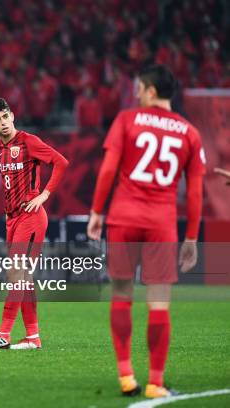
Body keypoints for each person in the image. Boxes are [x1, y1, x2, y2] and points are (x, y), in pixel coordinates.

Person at [87, 65, 206, 398]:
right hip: (161, 224)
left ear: (152, 91)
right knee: (159, 303)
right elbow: (194, 191)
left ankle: (126, 375)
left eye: (140, 88)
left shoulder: (126, 120)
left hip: (123, 218)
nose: (136, 94)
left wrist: (97, 211)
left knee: (122, 295)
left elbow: (109, 169)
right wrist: (191, 238)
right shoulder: (189, 132)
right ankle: (155, 382)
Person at [0, 98, 69, 350]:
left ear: (12, 115)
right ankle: (32, 337)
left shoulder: (29, 141)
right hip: (13, 218)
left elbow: (61, 162)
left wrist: (43, 195)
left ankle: (4, 333)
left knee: (15, 273)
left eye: (5, 117)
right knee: (23, 277)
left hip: (32, 216)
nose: (3, 123)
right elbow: (8, 184)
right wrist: (8, 214)